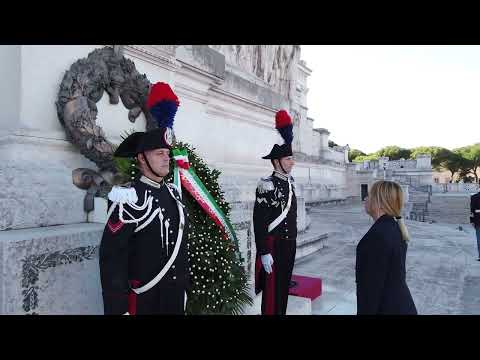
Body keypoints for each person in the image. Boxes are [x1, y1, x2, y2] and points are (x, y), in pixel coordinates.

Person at [99, 82, 189, 315]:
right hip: (145, 302)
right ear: (141, 158)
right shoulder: (128, 198)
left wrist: (183, 290)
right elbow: (112, 260)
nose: (166, 159)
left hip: (174, 299)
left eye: (167, 154)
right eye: (159, 153)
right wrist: (119, 309)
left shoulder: (173, 194)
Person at [253, 110, 297, 315]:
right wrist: (263, 251)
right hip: (273, 246)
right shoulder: (266, 185)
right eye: (288, 159)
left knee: (283, 289)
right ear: (277, 161)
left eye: (291, 158)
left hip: (289, 245)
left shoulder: (291, 185)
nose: (292, 162)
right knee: (271, 294)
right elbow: (259, 222)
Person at [356, 180, 417, 315]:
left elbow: (370, 290)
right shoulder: (394, 228)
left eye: (370, 195)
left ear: (380, 202)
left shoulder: (377, 236)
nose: (365, 198)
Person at [470, 189, 480, 261]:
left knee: (479, 240)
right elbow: (472, 210)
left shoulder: (474, 197)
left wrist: (472, 221)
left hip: (477, 221)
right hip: (477, 221)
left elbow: (472, 211)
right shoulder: (474, 197)